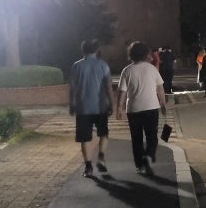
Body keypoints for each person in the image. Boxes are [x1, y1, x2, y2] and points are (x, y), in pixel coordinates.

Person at [116, 41, 167, 174]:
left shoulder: (127, 70)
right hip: (151, 107)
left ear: (131, 54)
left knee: (136, 138)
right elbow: (160, 89)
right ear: (145, 54)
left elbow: (122, 92)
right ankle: (148, 156)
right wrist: (163, 104)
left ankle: (140, 165)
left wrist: (119, 108)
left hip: (133, 109)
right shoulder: (152, 69)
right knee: (152, 136)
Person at [69, 39, 114, 177]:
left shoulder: (76, 66)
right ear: (96, 50)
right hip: (100, 106)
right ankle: (101, 157)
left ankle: (88, 167)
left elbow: (73, 88)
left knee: (84, 138)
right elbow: (108, 87)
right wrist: (112, 103)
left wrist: (72, 104)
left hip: (83, 108)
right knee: (104, 134)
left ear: (83, 50)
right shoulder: (103, 65)